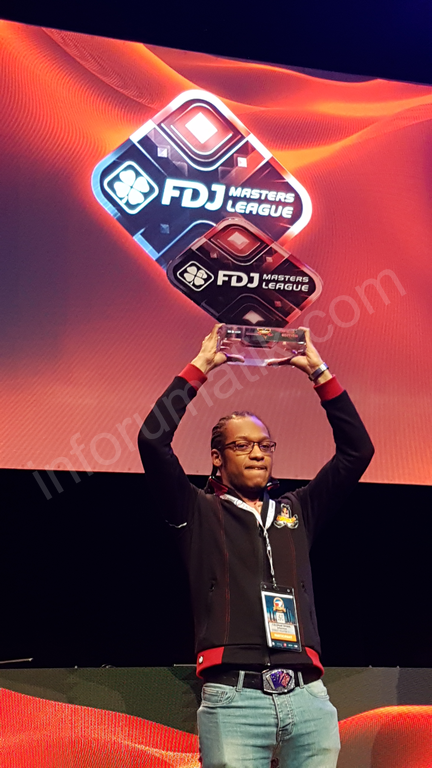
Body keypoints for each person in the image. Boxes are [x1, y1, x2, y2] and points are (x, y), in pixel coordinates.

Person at [138, 325, 374, 768]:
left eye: (265, 445)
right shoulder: (197, 511)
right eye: (242, 445)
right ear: (217, 457)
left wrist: (319, 373)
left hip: (308, 698)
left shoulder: (297, 509)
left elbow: (356, 452)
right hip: (235, 700)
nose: (258, 453)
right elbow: (152, 441)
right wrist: (201, 367)